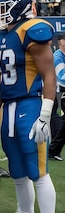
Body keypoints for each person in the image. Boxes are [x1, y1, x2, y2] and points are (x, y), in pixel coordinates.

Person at [0, 0, 57, 213]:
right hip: (10, 108)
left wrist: (46, 114)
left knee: (37, 171)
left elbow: (49, 74)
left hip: (30, 105)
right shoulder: (0, 35)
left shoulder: (33, 30)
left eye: (4, 8)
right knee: (17, 171)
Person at [48, 33, 65, 161]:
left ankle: (53, 150)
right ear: (60, 42)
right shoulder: (58, 56)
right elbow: (61, 76)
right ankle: (53, 149)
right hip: (54, 91)